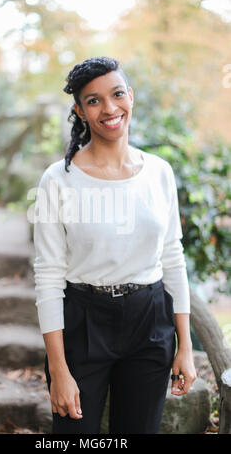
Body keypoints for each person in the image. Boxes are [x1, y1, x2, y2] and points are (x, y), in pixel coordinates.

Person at [32, 56, 197, 434]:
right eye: (93, 100)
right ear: (80, 111)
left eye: (117, 94)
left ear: (131, 97)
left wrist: (184, 345)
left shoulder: (159, 172)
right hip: (83, 323)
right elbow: (48, 276)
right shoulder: (58, 180)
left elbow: (172, 257)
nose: (109, 108)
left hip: (150, 322)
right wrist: (58, 369)